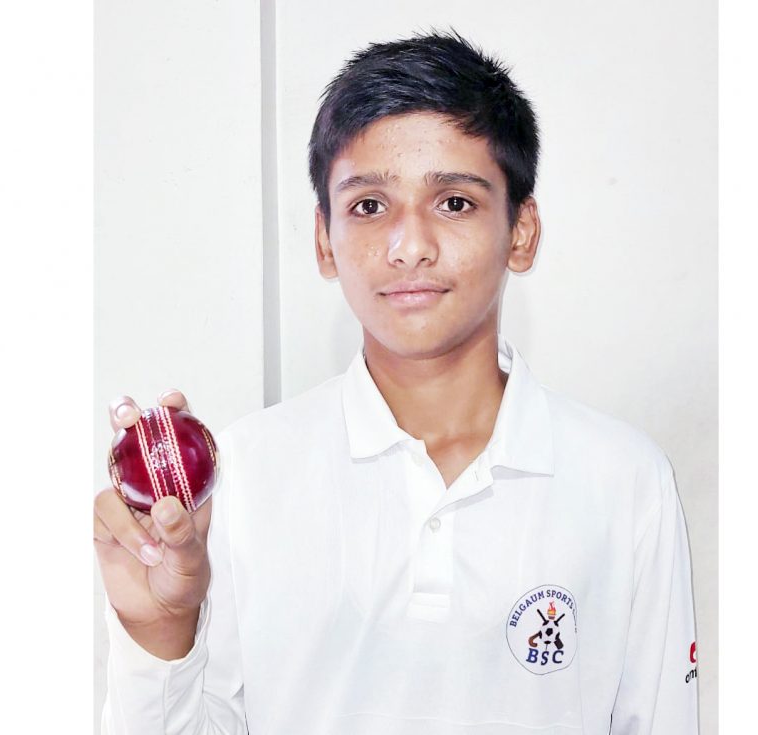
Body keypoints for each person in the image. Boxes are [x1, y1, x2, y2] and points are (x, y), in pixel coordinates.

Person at [94, 28, 700, 735]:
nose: (410, 246)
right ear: (324, 239)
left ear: (521, 231)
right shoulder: (245, 475)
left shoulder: (625, 481)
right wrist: (159, 630)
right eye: (369, 206)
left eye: (454, 202)